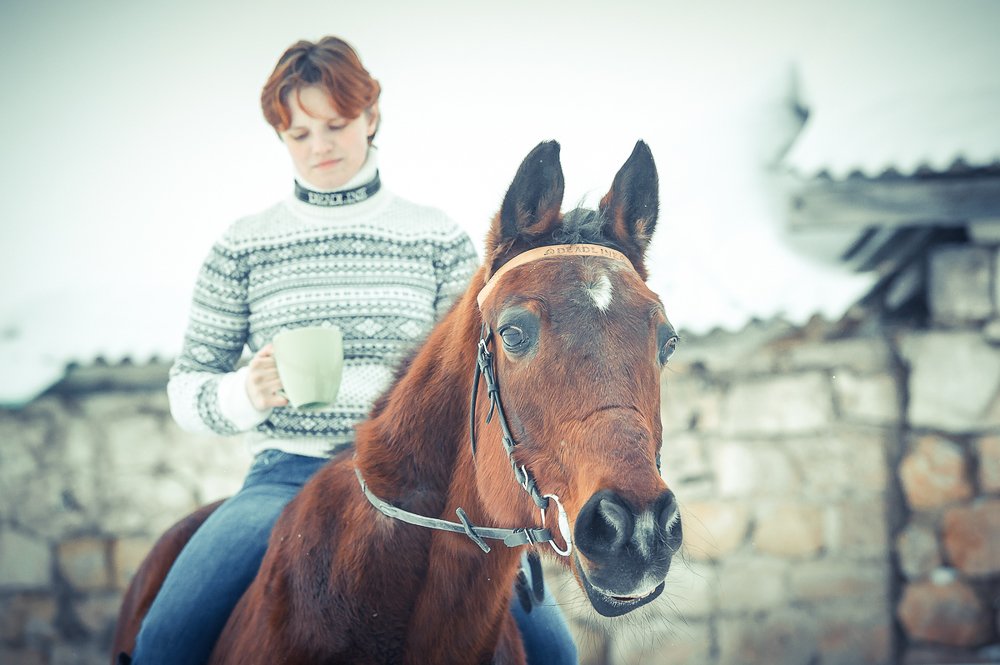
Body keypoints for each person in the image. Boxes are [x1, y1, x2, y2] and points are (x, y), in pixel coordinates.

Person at [129, 36, 578, 664]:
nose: (321, 147)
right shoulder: (244, 245)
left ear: (371, 117)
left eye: (336, 125)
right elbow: (186, 388)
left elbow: (482, 380)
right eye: (299, 133)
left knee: (556, 652)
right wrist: (243, 393)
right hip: (283, 476)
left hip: (418, 488)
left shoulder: (435, 238)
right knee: (163, 641)